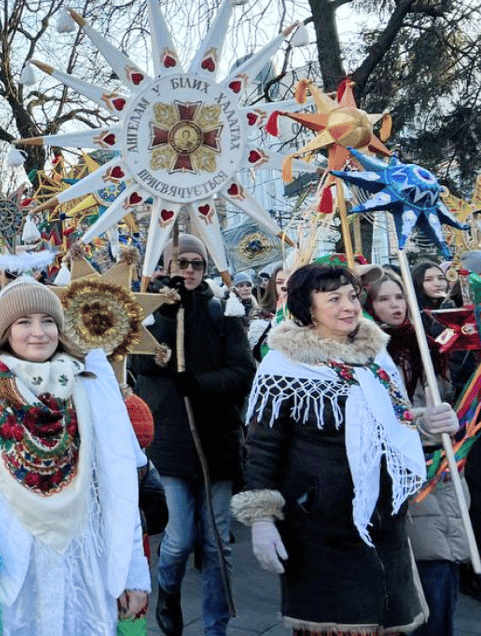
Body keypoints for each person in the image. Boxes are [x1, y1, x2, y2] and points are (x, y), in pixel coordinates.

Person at [235, 263, 457, 634]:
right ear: (307, 305)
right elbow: (261, 448)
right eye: (334, 298)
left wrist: (427, 423)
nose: (349, 306)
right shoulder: (284, 366)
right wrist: (261, 519)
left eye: (352, 297)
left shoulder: (374, 356)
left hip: (384, 521)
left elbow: (394, 421)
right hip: (319, 526)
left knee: (386, 622)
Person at [0, 278, 149, 635]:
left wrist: (133, 571)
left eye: (47, 321)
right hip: (4, 559)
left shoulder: (88, 383)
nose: (38, 333)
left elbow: (117, 484)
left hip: (81, 559)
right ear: (5, 331)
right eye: (23, 322)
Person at [134, 233, 255, 636]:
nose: (188, 270)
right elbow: (137, 363)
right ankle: (167, 591)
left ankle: (216, 625)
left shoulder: (223, 312)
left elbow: (243, 371)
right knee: (179, 538)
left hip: (216, 440)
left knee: (218, 542)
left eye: (196, 264)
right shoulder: (148, 311)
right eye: (181, 262)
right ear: (167, 266)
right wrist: (164, 311)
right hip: (170, 440)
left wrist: (200, 384)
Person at [363, 270, 468, 636]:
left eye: (399, 296)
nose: (395, 305)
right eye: (383, 299)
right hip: (410, 478)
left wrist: (455, 421)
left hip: (444, 472)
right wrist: (425, 423)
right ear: (368, 306)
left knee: (446, 569)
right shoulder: (369, 355)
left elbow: (449, 402)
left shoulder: (428, 344)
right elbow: (381, 419)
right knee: (429, 574)